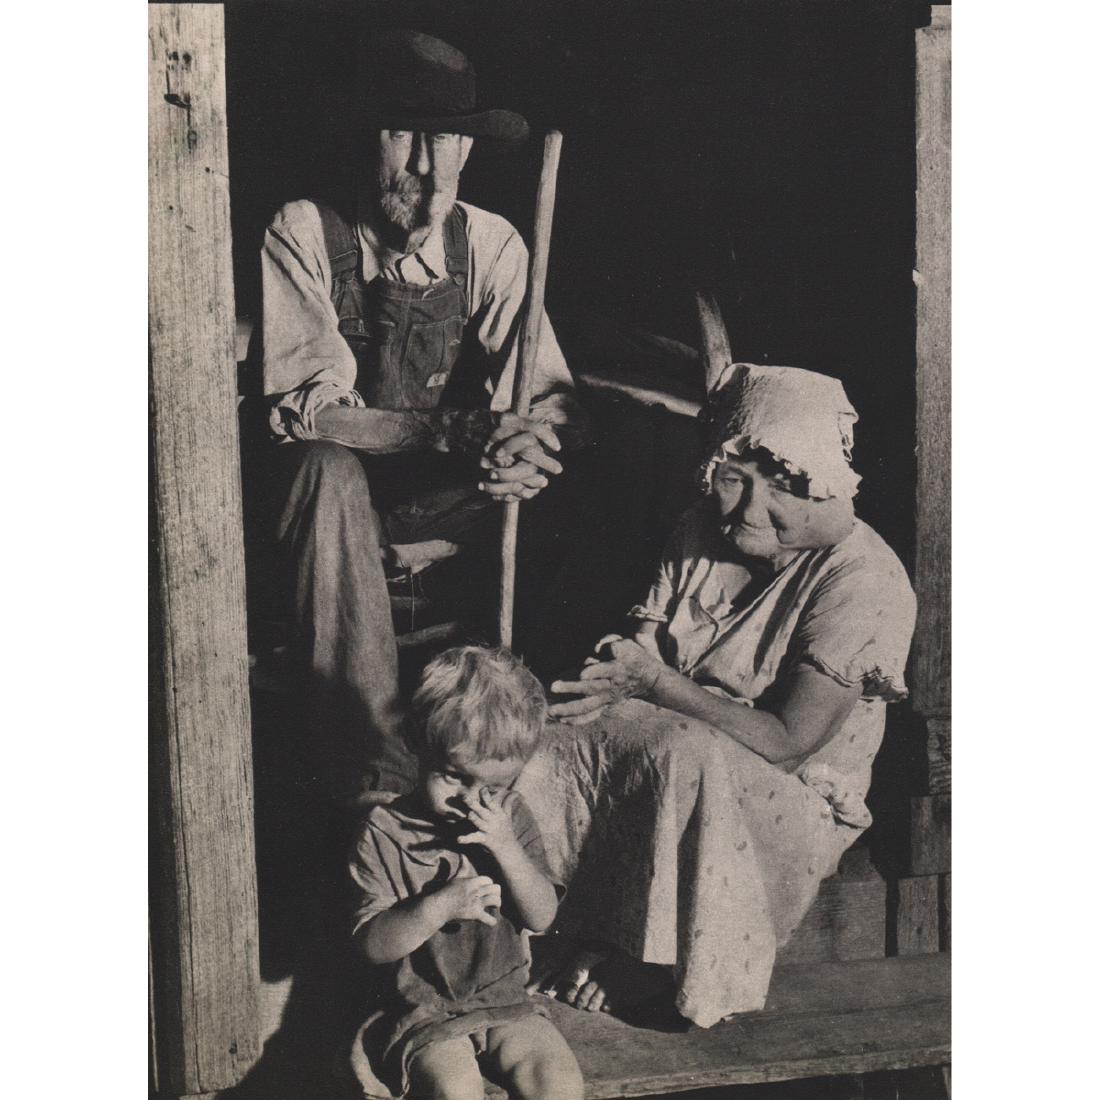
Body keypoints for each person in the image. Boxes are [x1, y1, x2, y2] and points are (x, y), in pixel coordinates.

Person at [514, 362, 917, 1027]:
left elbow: (787, 746)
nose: (748, 509)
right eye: (733, 480)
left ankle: (647, 956)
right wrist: (603, 682)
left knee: (678, 750)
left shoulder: (864, 581)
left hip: (786, 799)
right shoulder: (704, 526)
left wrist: (654, 683)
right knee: (540, 732)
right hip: (677, 737)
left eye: (784, 485)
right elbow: (641, 648)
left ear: (825, 484)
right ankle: (553, 924)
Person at [254, 30, 588, 799]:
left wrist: (529, 443)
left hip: (441, 505)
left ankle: (528, 749)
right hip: (336, 515)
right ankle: (370, 764)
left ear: (467, 152)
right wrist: (448, 430)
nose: (424, 167)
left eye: (443, 140)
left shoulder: (493, 243)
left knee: (607, 471)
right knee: (325, 469)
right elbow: (311, 417)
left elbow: (558, 400)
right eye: (402, 136)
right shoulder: (305, 229)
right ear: (366, 139)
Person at [348, 647, 585, 1100]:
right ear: (415, 743)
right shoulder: (383, 832)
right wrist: (437, 907)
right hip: (421, 1010)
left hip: (506, 1001)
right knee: (455, 1090)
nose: (473, 802)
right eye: (455, 778)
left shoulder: (510, 818)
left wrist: (506, 849)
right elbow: (372, 945)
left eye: (493, 787)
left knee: (559, 1082)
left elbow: (542, 917)